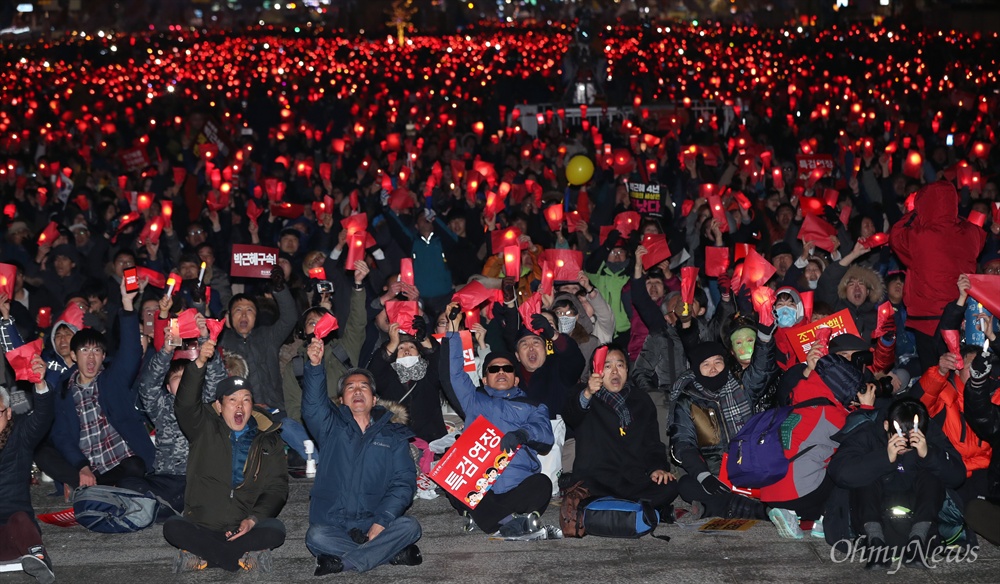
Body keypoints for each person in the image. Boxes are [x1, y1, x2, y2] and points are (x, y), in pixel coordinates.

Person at [164, 340, 288, 573]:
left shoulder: (268, 439)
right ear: (219, 406)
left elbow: (277, 488)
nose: (240, 406)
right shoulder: (203, 427)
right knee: (173, 527)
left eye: (246, 400)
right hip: (202, 524)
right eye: (232, 400)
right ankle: (234, 558)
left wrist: (253, 519)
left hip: (243, 527)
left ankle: (207, 556)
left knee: (276, 530)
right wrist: (199, 363)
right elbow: (185, 404)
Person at [302, 340, 422, 575]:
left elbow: (403, 482)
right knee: (315, 536)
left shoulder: (393, 436)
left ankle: (344, 562)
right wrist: (315, 367)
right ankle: (389, 554)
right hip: (332, 524)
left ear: (374, 399)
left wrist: (382, 521)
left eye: (364, 386)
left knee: (410, 527)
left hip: (374, 522)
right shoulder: (330, 428)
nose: (357, 391)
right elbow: (313, 407)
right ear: (341, 400)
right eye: (350, 387)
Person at [827, 398, 965, 569]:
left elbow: (958, 476)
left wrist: (928, 454)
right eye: (898, 436)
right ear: (886, 426)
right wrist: (884, 458)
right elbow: (839, 473)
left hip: (917, 511)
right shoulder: (868, 432)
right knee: (865, 474)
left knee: (932, 475)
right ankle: (875, 544)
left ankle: (917, 543)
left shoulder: (928, 433)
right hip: (872, 509)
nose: (904, 444)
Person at [442, 337, 554, 537]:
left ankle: (487, 518)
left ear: (516, 378)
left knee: (543, 483)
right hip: (480, 486)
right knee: (451, 476)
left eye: (507, 369)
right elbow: (453, 374)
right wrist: (452, 332)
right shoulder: (473, 400)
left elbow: (544, 433)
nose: (501, 372)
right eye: (493, 369)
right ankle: (510, 522)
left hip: (517, 485)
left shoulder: (534, 406)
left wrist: (522, 433)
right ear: (484, 379)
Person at [50, 279, 154, 488]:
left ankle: (104, 490)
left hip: (123, 461)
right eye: (84, 351)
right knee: (44, 450)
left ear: (103, 355)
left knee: (134, 469)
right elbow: (61, 436)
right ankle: (90, 487)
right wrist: (81, 466)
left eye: (96, 351)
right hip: (90, 468)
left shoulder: (112, 379)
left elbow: (132, 352)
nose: (91, 358)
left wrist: (127, 304)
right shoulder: (64, 389)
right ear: (73, 355)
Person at [763, 346, 870, 539]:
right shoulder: (833, 415)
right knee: (844, 469)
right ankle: (826, 520)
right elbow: (862, 438)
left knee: (815, 460)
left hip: (770, 488)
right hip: (797, 492)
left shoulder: (798, 394)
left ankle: (793, 512)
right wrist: (867, 407)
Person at [563, 344, 677, 518]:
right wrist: (587, 392)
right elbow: (571, 415)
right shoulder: (584, 394)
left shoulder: (641, 400)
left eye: (620, 365)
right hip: (596, 480)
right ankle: (636, 509)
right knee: (582, 495)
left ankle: (617, 508)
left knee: (670, 486)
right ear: (597, 370)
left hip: (632, 479)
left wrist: (657, 468)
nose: (615, 372)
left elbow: (652, 443)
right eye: (607, 366)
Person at [889, 180, 987, 370]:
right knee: (958, 371)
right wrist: (953, 217)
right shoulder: (970, 234)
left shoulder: (919, 237)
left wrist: (915, 212)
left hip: (926, 319)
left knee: (933, 375)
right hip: (959, 315)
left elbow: (896, 235)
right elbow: (978, 233)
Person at [0, 359, 56, 584]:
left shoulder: (20, 434)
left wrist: (40, 384)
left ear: (9, 412)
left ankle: (38, 557)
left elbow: (43, 418)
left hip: (16, 529)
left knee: (21, 520)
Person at [218, 268, 298, 410]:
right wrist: (198, 303)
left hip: (274, 409)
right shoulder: (221, 341)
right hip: (238, 412)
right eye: (238, 310)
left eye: (249, 310)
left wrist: (280, 288)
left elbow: (289, 319)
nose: (244, 315)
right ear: (229, 319)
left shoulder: (268, 336)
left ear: (256, 317)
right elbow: (202, 335)